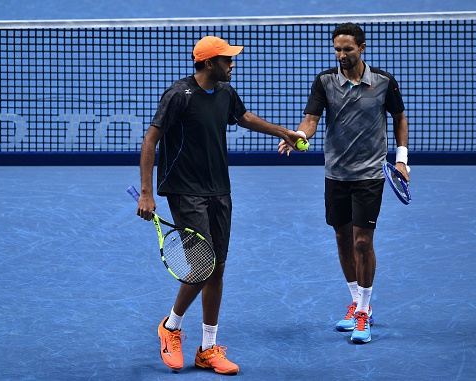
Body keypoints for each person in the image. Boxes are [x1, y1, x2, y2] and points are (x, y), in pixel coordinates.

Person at [136, 35, 305, 374]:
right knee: (203, 266)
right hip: (184, 190)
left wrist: (281, 132)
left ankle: (208, 348)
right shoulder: (178, 96)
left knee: (219, 267)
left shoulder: (225, 92)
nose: (233, 64)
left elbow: (242, 117)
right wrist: (146, 192)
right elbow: (151, 139)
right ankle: (170, 328)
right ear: (210, 63)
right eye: (227, 59)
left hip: (219, 191)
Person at [279, 22, 410, 344]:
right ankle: (355, 300)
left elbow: (399, 117)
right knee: (341, 238)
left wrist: (402, 158)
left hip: (368, 175)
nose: (342, 55)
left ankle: (364, 311)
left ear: (362, 48)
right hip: (335, 173)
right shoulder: (325, 81)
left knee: (362, 242)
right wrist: (299, 136)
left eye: (348, 49)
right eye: (337, 49)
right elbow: (311, 119)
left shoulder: (383, 82)